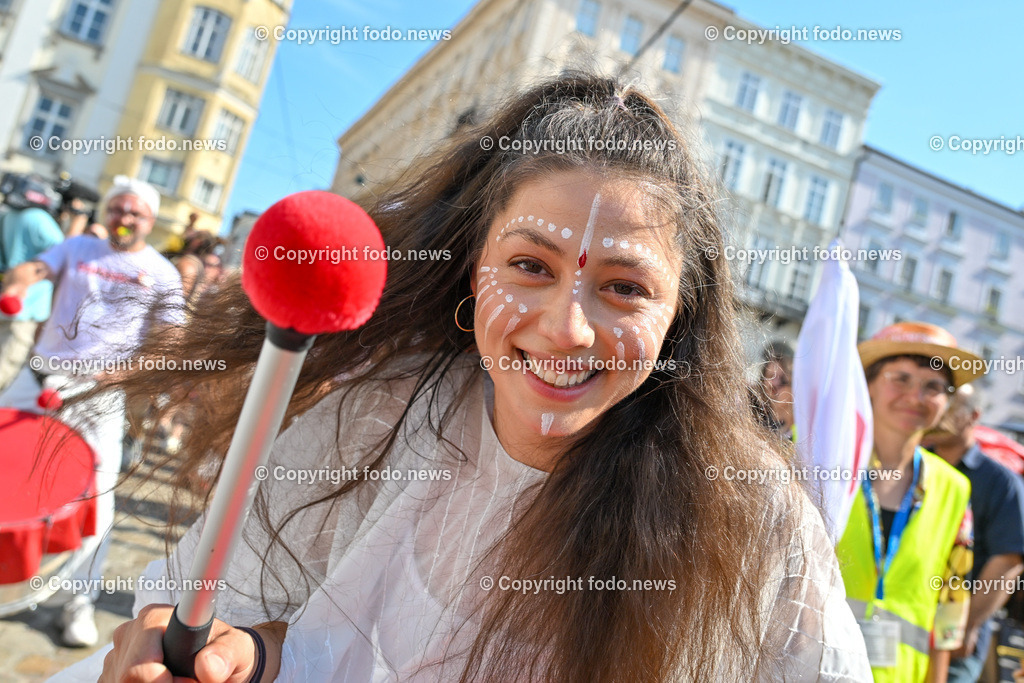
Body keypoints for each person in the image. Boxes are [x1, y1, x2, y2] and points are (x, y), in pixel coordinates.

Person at [53, 74, 868, 681]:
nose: (567, 327)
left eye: (624, 286)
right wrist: (232, 653)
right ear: (473, 270)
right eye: (530, 265)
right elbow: (267, 620)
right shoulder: (380, 416)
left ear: (679, 317)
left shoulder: (755, 518)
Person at [0, 176, 184, 647]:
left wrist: (128, 372)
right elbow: (37, 268)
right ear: (107, 211)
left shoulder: (162, 272)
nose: (124, 218)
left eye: (135, 212)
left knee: (96, 504)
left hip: (97, 398)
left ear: (150, 220)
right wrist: (19, 280)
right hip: (37, 380)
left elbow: (173, 340)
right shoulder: (78, 246)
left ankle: (79, 603)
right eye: (118, 208)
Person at [837, 321, 980, 682]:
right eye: (901, 379)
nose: (916, 397)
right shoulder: (816, 460)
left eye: (933, 386)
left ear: (947, 401)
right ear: (869, 384)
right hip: (809, 669)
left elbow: (950, 606)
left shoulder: (955, 487)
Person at [923, 384, 1024, 682]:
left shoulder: (1001, 482)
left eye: (954, 407)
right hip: (904, 620)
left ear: (974, 416)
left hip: (956, 633)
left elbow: (1008, 561)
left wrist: (966, 626)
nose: (943, 414)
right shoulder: (915, 464)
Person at [0, 175, 64, 391]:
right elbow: (64, 254)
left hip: (6, 296)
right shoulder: (39, 218)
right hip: (26, 306)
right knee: (7, 366)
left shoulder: (8, 215)